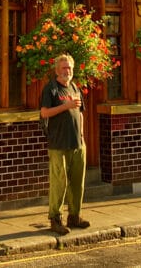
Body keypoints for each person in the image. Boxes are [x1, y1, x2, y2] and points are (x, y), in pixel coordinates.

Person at [40, 53, 89, 235]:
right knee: (59, 183)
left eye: (69, 68)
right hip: (58, 144)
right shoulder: (51, 89)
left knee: (77, 182)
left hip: (77, 143)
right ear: (56, 70)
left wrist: (82, 135)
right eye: (63, 68)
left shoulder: (75, 88)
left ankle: (74, 216)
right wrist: (65, 107)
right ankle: (55, 218)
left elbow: (81, 113)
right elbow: (44, 113)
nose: (66, 71)